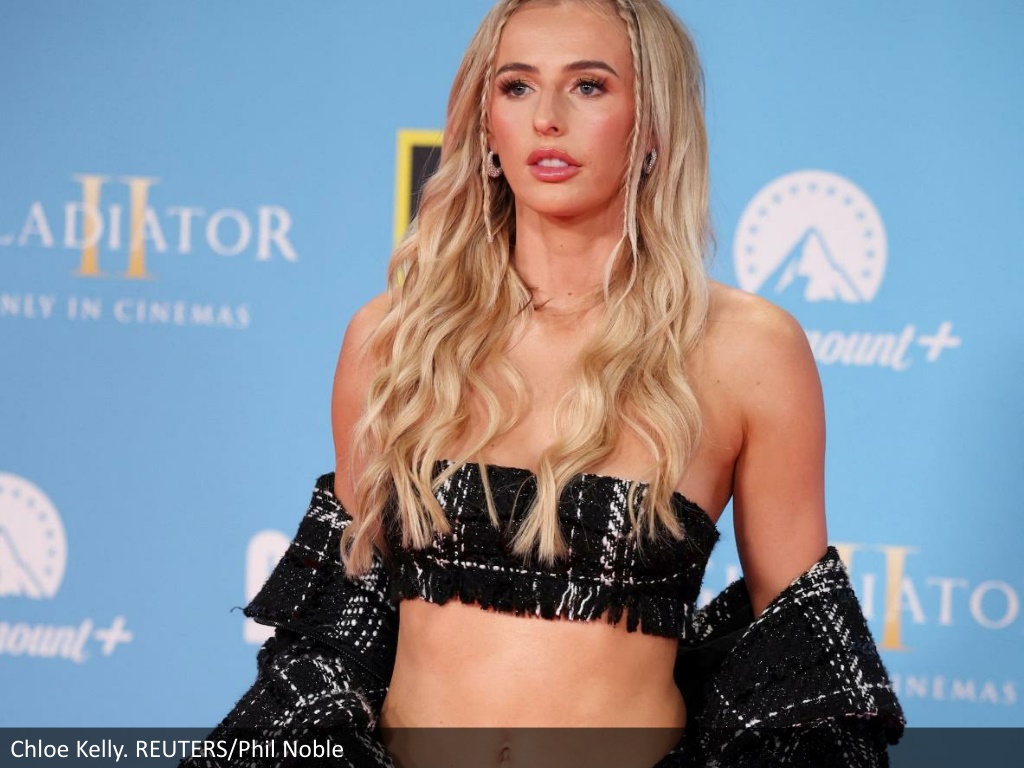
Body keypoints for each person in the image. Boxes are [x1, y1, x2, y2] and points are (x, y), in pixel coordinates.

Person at [182, 1, 905, 766]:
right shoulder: (394, 338)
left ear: (652, 125)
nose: (547, 119)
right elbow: (341, 615)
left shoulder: (748, 350)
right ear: (485, 123)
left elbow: (798, 658)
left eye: (589, 86)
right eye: (517, 86)